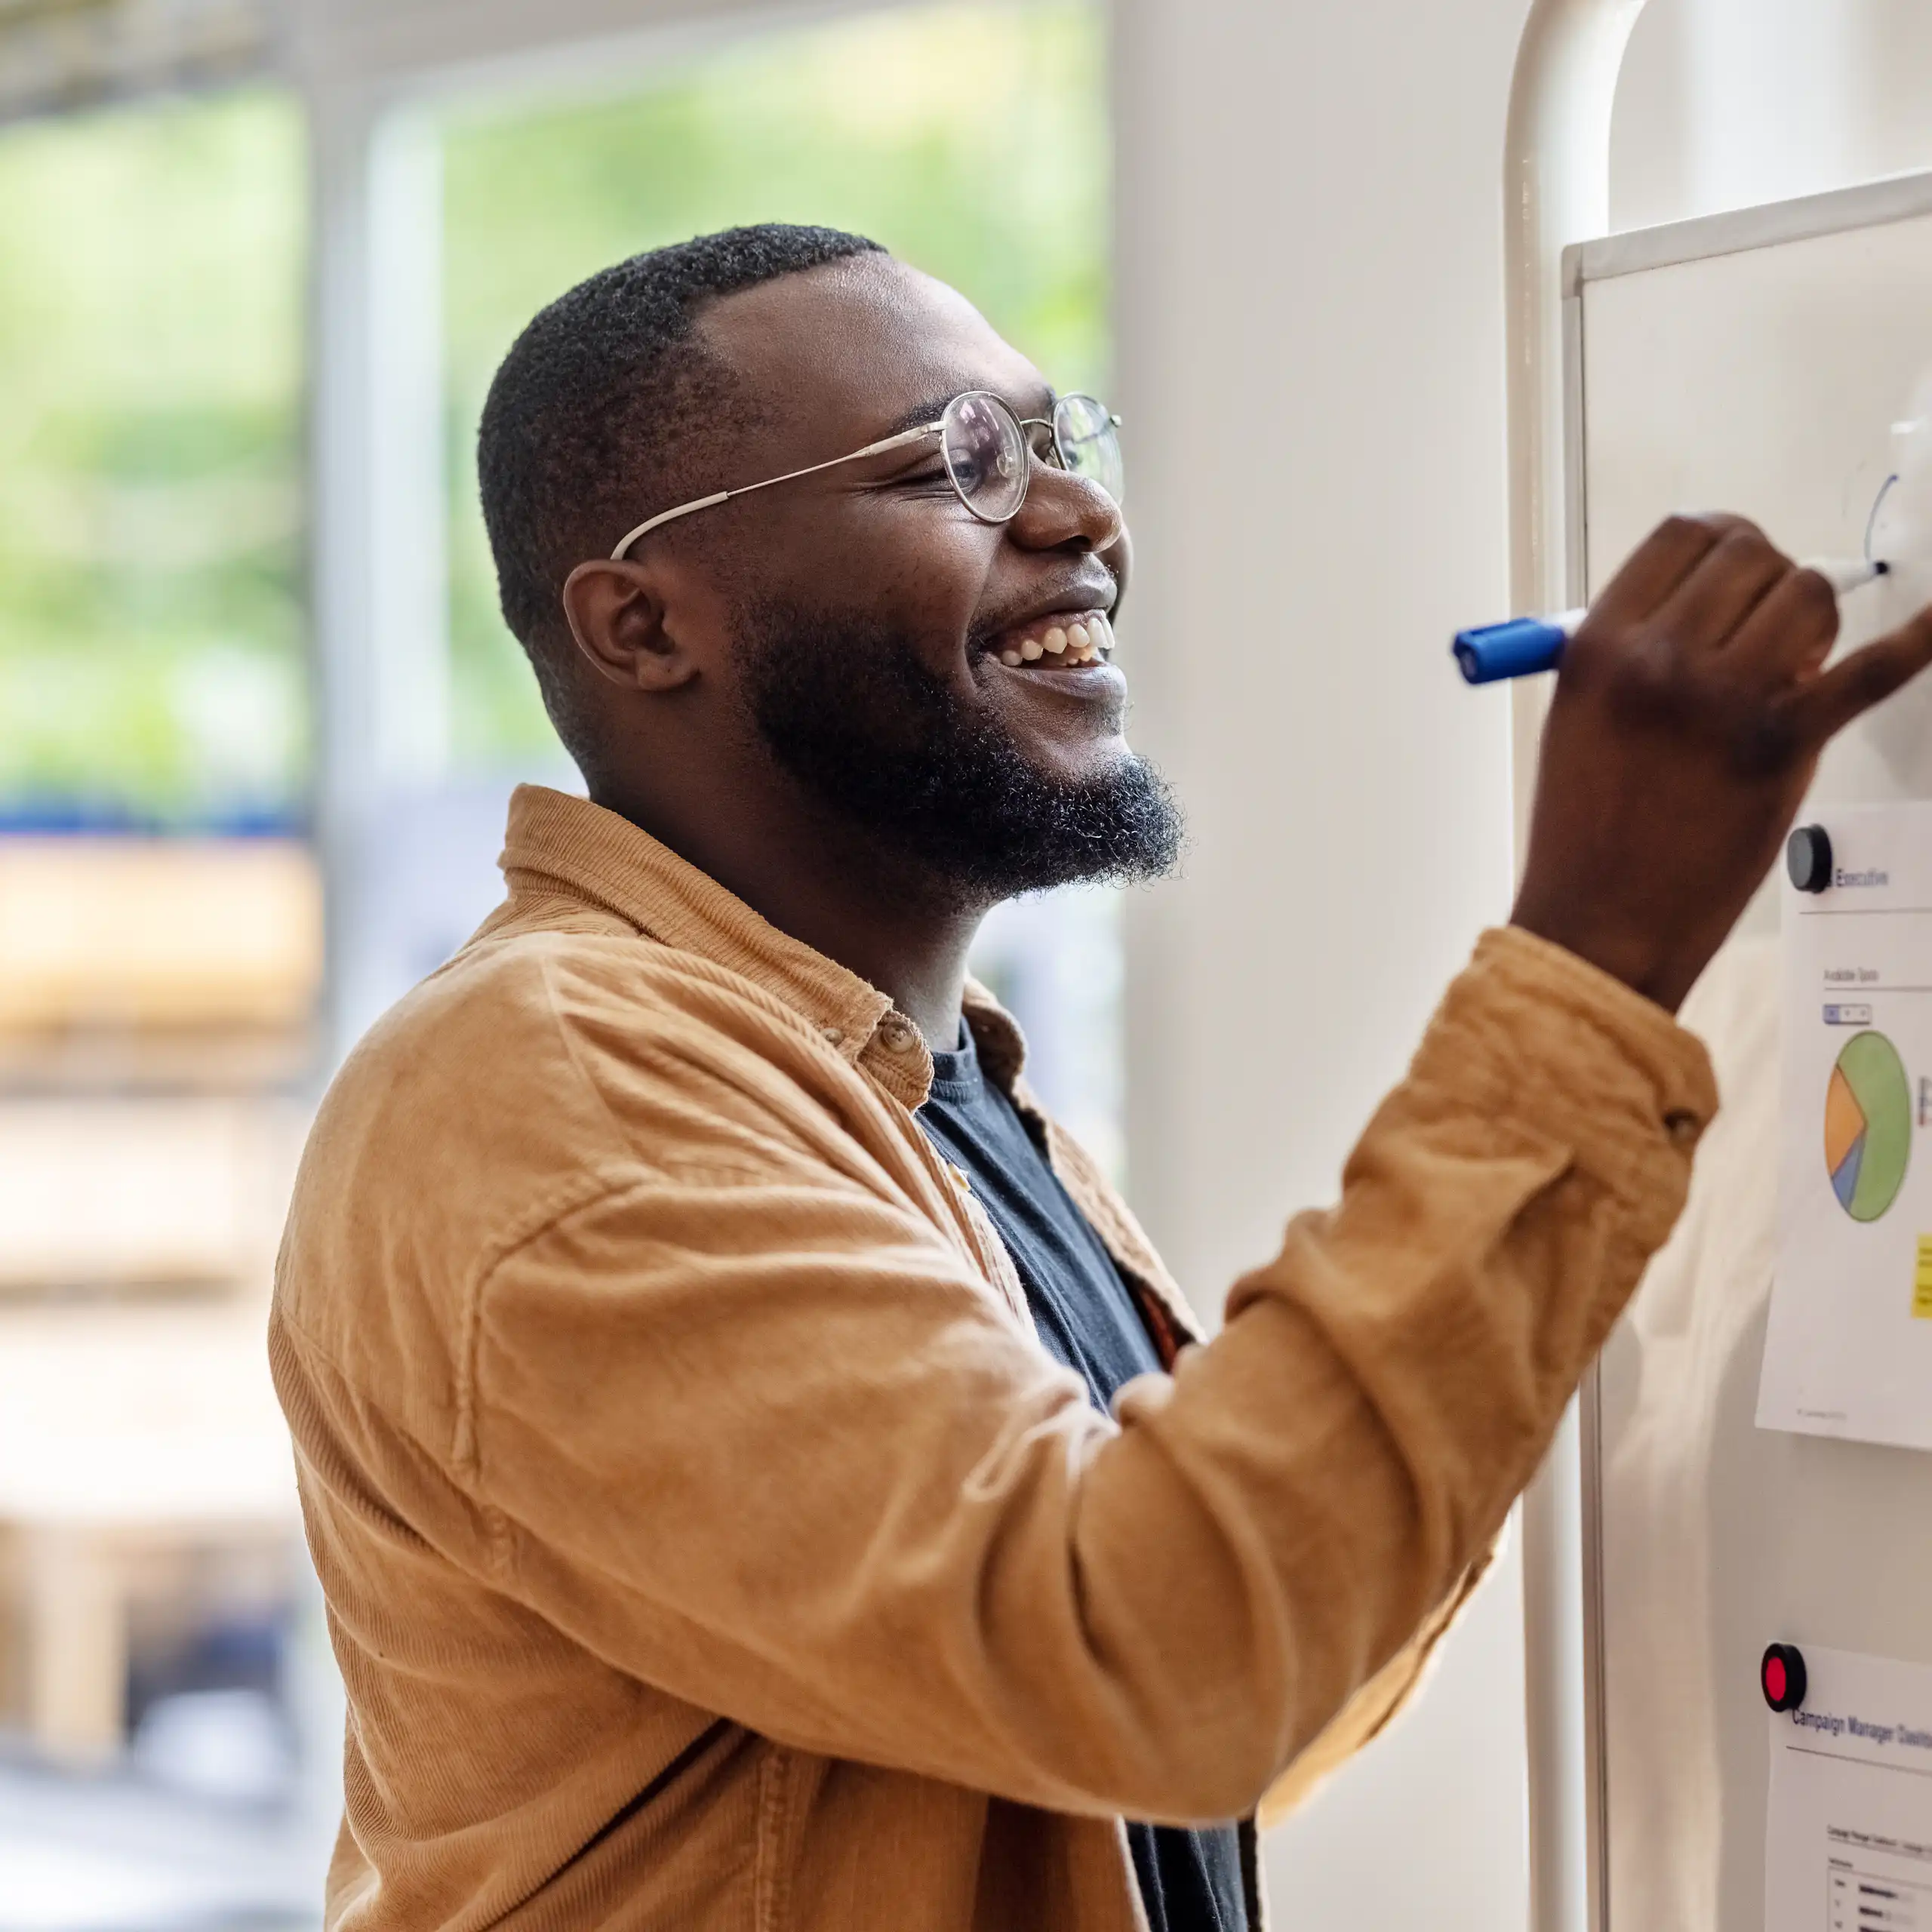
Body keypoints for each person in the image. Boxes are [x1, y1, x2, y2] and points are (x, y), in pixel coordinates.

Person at [269, 223, 1932, 1932]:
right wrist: (1590, 955)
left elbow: (1224, 1711)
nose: (1078, 515)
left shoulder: (923, 1086)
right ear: (642, 623)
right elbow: (1160, 1655)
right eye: (960, 463)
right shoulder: (557, 1092)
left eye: (1059, 440)